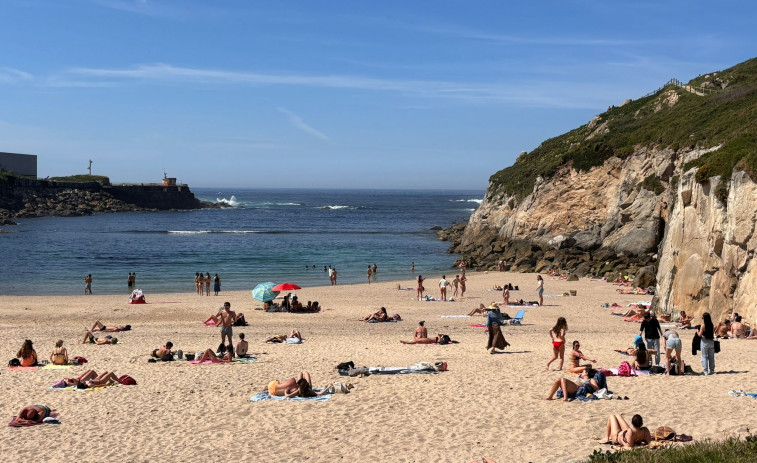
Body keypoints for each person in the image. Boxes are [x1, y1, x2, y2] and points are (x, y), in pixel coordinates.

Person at [264, 372, 331, 398]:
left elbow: (287, 395)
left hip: (272, 385)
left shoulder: (297, 389)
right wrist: (328, 387)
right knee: (306, 373)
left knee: (301, 373)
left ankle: (267, 387)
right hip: (273, 391)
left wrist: (285, 391)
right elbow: (319, 393)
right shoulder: (299, 391)